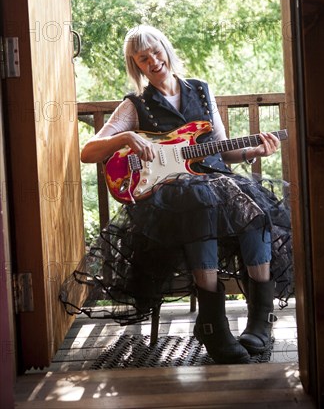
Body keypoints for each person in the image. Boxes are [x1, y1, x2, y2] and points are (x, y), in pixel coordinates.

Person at [61, 24, 293, 365]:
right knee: (199, 209)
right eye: (143, 58)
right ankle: (213, 325)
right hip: (171, 197)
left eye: (156, 52)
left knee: (255, 211)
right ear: (137, 65)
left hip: (217, 183)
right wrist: (126, 139)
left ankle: (261, 321)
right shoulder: (135, 105)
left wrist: (253, 152)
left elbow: (223, 151)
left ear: (166, 50)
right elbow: (89, 151)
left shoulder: (201, 90)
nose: (153, 60)